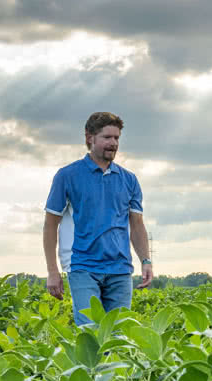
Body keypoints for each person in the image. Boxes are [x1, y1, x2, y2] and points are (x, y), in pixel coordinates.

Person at [43, 111, 152, 326]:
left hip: (120, 268)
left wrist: (146, 260)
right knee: (90, 333)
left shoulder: (129, 180)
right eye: (107, 137)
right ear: (89, 138)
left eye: (117, 138)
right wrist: (52, 271)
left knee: (119, 336)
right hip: (82, 265)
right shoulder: (67, 176)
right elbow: (50, 225)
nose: (113, 143)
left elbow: (137, 225)